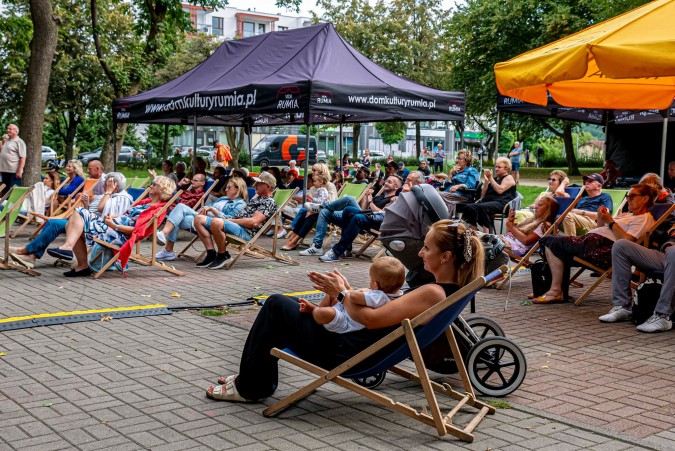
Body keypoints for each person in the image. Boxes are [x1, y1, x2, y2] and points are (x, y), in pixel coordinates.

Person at [205, 219, 485, 403]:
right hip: (357, 346)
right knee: (287, 307)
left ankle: (250, 387)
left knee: (277, 305)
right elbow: (379, 313)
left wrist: (341, 292)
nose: (421, 253)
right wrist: (347, 292)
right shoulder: (446, 292)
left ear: (446, 257)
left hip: (347, 352)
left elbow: (372, 320)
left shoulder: (432, 292)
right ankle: (253, 378)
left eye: (426, 247)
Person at [534, 183, 657, 304]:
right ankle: (553, 290)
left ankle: (555, 291)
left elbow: (627, 241)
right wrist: (602, 219)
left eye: (632, 196)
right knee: (553, 243)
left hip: (603, 250)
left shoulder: (644, 219)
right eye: (627, 196)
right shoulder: (627, 215)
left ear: (645, 198)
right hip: (593, 243)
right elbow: (601, 229)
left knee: (550, 241)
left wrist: (610, 221)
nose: (628, 199)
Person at [45, 176, 177, 277]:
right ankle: (79, 262)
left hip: (119, 235)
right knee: (75, 220)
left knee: (78, 216)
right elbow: (126, 215)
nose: (150, 185)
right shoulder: (146, 202)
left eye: (154, 184)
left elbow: (139, 232)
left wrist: (114, 225)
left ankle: (74, 255)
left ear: (161, 189)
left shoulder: (157, 210)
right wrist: (113, 218)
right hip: (111, 227)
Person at [9, 173, 132, 270]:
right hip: (89, 222)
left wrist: (108, 192)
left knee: (55, 223)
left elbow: (106, 216)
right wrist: (87, 205)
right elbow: (97, 213)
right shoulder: (109, 195)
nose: (104, 185)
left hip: (99, 228)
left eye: (107, 182)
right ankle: (30, 255)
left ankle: (27, 252)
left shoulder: (121, 198)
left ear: (114, 184)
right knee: (53, 223)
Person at [319, 172, 424, 262]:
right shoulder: (395, 195)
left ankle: (336, 251)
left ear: (418, 183)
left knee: (356, 217)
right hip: (374, 216)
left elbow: (394, 213)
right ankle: (346, 249)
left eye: (409, 180)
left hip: (388, 224)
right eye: (406, 180)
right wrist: (367, 198)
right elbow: (367, 209)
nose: (406, 183)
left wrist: (402, 195)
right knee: (348, 210)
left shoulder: (416, 196)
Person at [298, 175, 403, 257]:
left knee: (349, 200)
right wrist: (366, 197)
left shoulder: (395, 199)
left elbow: (381, 214)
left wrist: (371, 201)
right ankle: (317, 246)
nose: (385, 183)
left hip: (370, 221)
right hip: (361, 216)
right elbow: (363, 209)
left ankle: (323, 206)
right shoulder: (379, 197)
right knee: (325, 212)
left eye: (390, 182)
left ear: (396, 187)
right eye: (386, 180)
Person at [193, 172, 278, 269]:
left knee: (216, 221)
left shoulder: (268, 202)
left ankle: (222, 255)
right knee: (198, 218)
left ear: (268, 186)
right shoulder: (257, 199)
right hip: (236, 225)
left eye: (259, 183)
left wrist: (231, 221)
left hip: (245, 231)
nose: (255, 185)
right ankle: (211, 253)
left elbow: (253, 222)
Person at [298, 257, 405, 333]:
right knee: (331, 295)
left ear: (376, 285)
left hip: (346, 320)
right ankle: (315, 309)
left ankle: (314, 311)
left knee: (322, 312)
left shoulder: (379, 296)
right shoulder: (398, 295)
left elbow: (353, 297)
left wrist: (342, 289)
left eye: (371, 279)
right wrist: (345, 289)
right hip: (348, 311)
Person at [600, 224, 675, 332]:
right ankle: (622, 306)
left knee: (673, 252)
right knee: (621, 246)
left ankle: (663, 315)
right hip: (666, 255)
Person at [155, 177, 248, 261]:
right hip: (202, 218)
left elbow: (229, 220)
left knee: (179, 208)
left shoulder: (240, 204)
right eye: (226, 187)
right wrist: (204, 209)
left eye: (229, 187)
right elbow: (207, 207)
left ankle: (165, 242)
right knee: (176, 216)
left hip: (211, 223)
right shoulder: (223, 199)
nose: (226, 190)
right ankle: (168, 251)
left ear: (238, 190)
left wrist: (213, 210)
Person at [461, 157, 517, 232]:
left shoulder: (509, 178)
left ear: (506, 169)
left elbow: (500, 190)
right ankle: (473, 229)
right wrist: (486, 182)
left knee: (483, 207)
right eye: (496, 167)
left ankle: (487, 231)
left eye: (499, 167)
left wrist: (490, 178)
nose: (496, 169)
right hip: (490, 202)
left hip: (502, 204)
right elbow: (483, 196)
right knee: (469, 207)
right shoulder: (495, 179)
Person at [281, 173, 332, 251]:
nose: (313, 183)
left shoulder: (325, 189)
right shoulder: (316, 189)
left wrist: (312, 199)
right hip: (316, 209)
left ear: (321, 182)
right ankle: (292, 239)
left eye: (314, 181)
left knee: (309, 217)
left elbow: (322, 202)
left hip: (323, 211)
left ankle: (294, 241)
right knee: (303, 214)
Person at [438, 149, 480, 217]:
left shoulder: (472, 171)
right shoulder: (456, 171)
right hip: (450, 193)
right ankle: (444, 219)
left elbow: (471, 185)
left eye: (460, 158)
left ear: (466, 160)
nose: (457, 160)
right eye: (457, 158)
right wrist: (450, 172)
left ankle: (445, 218)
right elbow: (446, 184)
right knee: (434, 195)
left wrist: (459, 186)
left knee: (437, 196)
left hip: (463, 195)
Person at [0, 124, 26, 194]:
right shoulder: (7, 141)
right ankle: (5, 205)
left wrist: (19, 170)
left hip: (14, 172)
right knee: (5, 191)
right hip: (5, 171)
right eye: (7, 129)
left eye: (10, 129)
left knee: (13, 192)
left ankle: (14, 205)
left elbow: (23, 157)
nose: (8, 130)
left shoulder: (19, 142)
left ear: (16, 131)